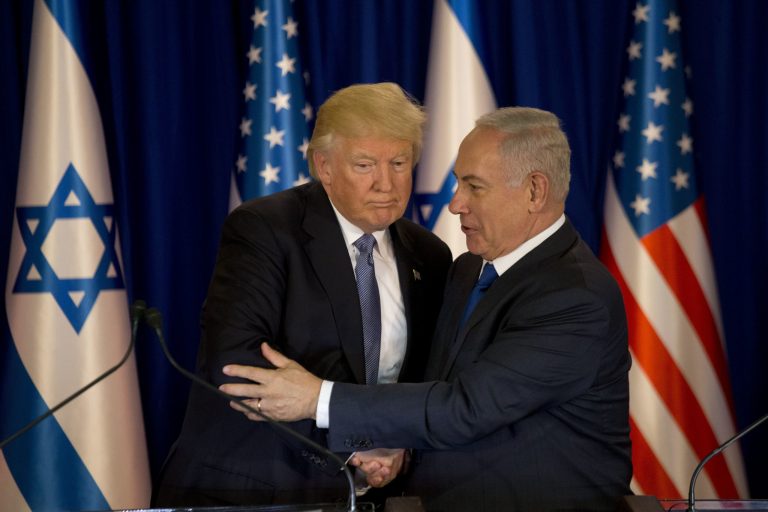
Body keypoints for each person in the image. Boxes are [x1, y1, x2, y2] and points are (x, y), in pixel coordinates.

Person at [221, 107, 633, 511]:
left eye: (474, 187)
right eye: (458, 183)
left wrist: (318, 398)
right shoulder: (468, 270)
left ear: (534, 191)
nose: (455, 204)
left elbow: (466, 408)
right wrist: (396, 445)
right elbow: (435, 387)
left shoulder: (575, 298)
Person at [152, 82, 452, 507]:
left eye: (399, 163)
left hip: (371, 491)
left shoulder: (430, 255)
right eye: (365, 165)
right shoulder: (265, 230)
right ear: (324, 167)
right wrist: (357, 443)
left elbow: (426, 382)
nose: (385, 183)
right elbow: (237, 366)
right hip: (254, 488)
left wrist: (400, 444)